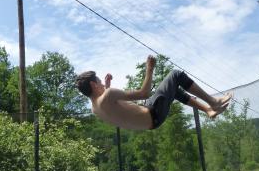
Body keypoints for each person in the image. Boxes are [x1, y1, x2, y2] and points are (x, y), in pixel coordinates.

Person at [76, 55, 232, 130]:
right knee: (176, 75)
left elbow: (115, 108)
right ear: (93, 84)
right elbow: (144, 93)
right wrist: (149, 68)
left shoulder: (95, 108)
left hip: (149, 121)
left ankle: (208, 111)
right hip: (153, 113)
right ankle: (213, 102)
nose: (102, 83)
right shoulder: (108, 95)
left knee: (173, 89)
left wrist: (108, 85)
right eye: (99, 81)